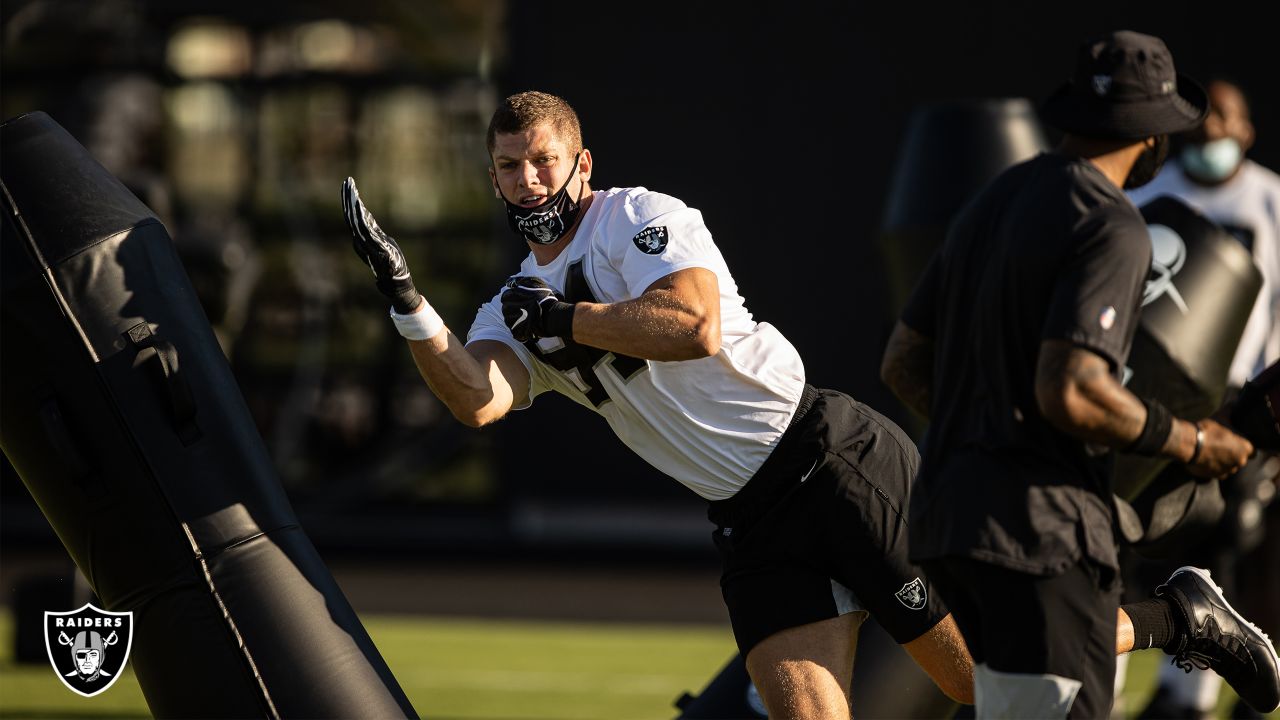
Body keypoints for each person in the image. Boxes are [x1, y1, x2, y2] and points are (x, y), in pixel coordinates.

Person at [341, 90, 974, 719]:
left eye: (544, 160)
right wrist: (406, 299)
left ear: (582, 163)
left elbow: (693, 324)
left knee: (979, 678)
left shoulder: (633, 216)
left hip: (826, 461)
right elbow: (477, 399)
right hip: (750, 520)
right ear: (493, 178)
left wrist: (566, 318)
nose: (529, 181)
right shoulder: (514, 304)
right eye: (510, 166)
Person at [880, 31, 1280, 718]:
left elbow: (904, 364)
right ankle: (1181, 618)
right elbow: (1072, 389)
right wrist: (1190, 442)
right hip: (1039, 537)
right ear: (1155, 138)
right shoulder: (1114, 225)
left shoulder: (990, 202)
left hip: (949, 522)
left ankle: (1179, 618)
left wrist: (986, 435)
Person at [1124, 78, 1280, 720]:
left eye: (1225, 119)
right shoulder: (1150, 198)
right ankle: (1184, 686)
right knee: (1175, 531)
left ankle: (1210, 679)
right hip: (1166, 399)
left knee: (1241, 532)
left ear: (1246, 129)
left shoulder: (1271, 199)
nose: (1211, 133)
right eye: (1201, 120)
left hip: (1250, 400)